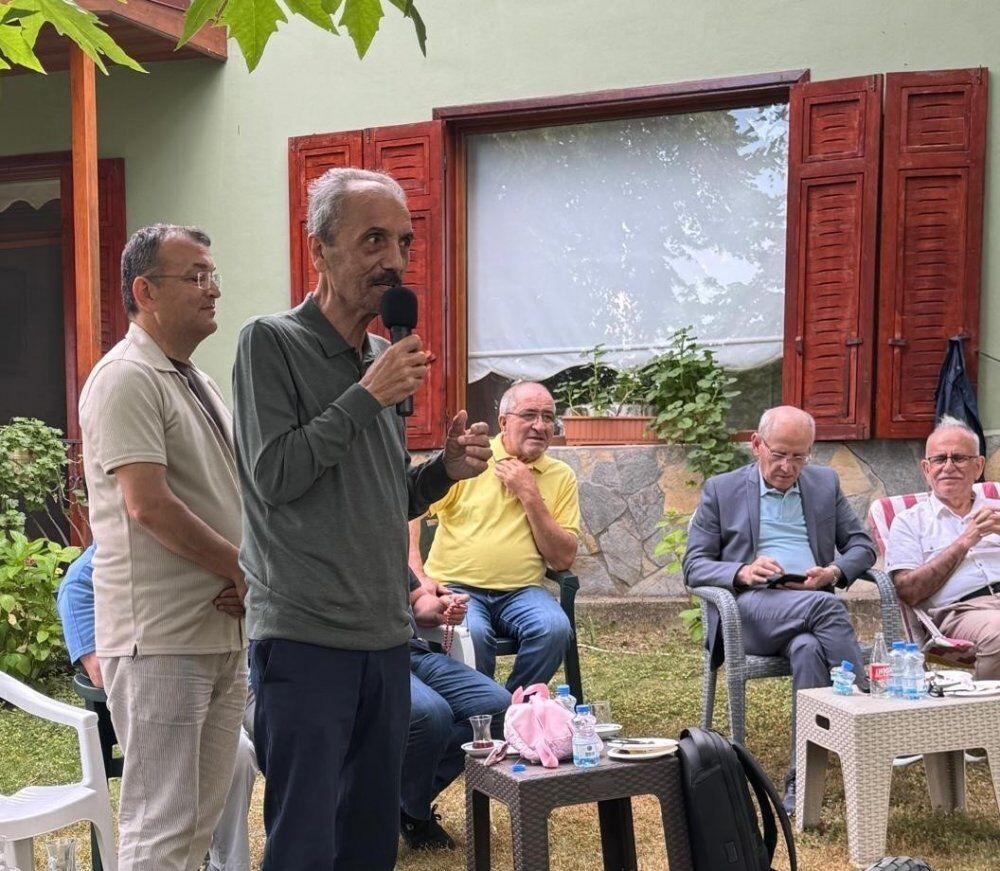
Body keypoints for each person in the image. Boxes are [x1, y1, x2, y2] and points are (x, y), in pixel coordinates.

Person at [231, 167, 492, 871]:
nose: (394, 260)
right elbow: (274, 476)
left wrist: (443, 470)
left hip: (384, 636)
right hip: (305, 637)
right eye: (373, 239)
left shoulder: (383, 357)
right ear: (318, 249)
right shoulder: (269, 343)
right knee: (305, 844)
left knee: (369, 844)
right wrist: (366, 395)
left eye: (403, 242)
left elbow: (383, 494)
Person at [79, 224, 248, 871]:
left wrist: (250, 573)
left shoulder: (194, 378)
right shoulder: (125, 377)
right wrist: (241, 568)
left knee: (198, 822)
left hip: (220, 633)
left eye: (213, 275)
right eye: (196, 276)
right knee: (159, 825)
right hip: (160, 640)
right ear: (145, 291)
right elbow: (147, 504)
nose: (214, 289)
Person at [683, 405, 876, 813]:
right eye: (779, 454)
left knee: (809, 649)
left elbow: (863, 546)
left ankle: (800, 781)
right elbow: (694, 565)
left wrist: (833, 572)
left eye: (799, 457)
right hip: (749, 610)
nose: (788, 467)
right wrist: (742, 571)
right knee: (827, 610)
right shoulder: (722, 490)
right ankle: (871, 713)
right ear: (757, 444)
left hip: (807, 605)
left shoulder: (824, 483)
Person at [56, 545, 258, 871]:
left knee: (287, 743)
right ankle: (224, 864)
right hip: (152, 704)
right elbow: (100, 672)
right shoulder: (81, 583)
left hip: (234, 682)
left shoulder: (189, 558)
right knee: (236, 757)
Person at [409, 381, 580, 691]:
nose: (540, 425)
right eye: (529, 415)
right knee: (472, 634)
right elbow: (409, 512)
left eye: (548, 417)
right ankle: (482, 708)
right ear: (503, 422)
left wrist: (529, 493)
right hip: (457, 587)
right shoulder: (472, 460)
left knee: (554, 628)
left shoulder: (561, 475)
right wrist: (418, 578)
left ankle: (512, 708)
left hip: (522, 591)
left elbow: (562, 559)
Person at [886, 416, 1000, 680]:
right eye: (939, 459)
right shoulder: (909, 522)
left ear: (978, 466)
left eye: (959, 458)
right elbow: (908, 591)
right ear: (926, 469)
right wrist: (965, 541)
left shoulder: (996, 509)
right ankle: (988, 707)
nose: (948, 467)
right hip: (961, 611)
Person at [402, 573, 511, 850]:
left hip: (412, 651)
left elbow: (418, 600)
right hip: (367, 657)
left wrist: (440, 609)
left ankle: (405, 805)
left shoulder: (388, 547)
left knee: (495, 707)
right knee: (430, 714)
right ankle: (408, 811)